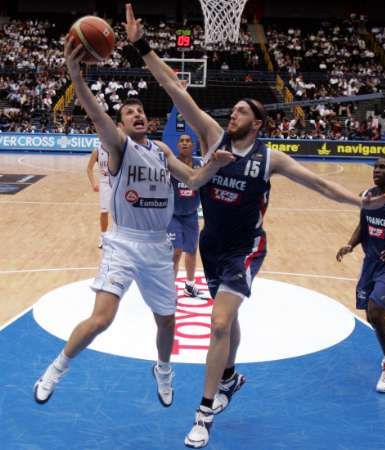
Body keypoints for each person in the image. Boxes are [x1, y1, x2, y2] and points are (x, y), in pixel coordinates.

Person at [124, 5, 385, 448]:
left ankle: (203, 415)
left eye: (242, 112)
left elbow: (322, 185)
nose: (233, 115)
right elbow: (173, 87)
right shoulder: (211, 135)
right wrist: (141, 45)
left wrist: (362, 201)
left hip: (247, 247)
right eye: (233, 110)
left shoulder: (272, 159)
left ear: (258, 122)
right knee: (228, 322)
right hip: (212, 244)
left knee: (220, 322)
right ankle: (228, 376)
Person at [33, 34, 234, 409]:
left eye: (141, 111)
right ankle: (55, 370)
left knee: (167, 322)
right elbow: (95, 113)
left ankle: (162, 368)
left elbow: (191, 180)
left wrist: (213, 164)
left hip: (159, 244)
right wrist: (76, 74)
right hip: (123, 242)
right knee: (101, 319)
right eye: (129, 113)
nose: (138, 114)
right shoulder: (118, 146)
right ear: (121, 124)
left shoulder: (160, 150)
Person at [336, 156, 385, 393]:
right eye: (376, 167)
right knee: (372, 318)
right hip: (370, 263)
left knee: (375, 310)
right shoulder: (367, 196)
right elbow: (363, 225)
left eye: (383, 167)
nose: (377, 170)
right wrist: (350, 245)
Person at [168, 134, 205, 297]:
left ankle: (189, 286)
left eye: (187, 141)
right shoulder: (171, 164)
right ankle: (169, 289)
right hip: (173, 215)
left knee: (191, 250)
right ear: (177, 145)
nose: (184, 143)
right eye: (181, 141)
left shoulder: (200, 164)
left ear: (193, 145)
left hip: (191, 215)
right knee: (176, 251)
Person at [86, 145, 111, 248]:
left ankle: (120, 238)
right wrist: (93, 184)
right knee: (104, 211)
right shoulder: (97, 150)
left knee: (120, 213)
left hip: (118, 182)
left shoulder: (118, 148)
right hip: (104, 183)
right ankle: (103, 236)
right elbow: (89, 168)